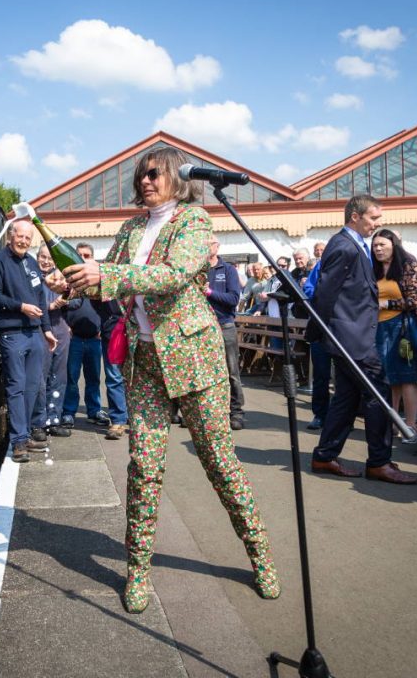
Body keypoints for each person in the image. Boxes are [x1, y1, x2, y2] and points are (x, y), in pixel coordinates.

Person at [63, 146, 278, 613]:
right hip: (147, 363)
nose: (146, 180)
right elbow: (109, 281)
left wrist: (108, 273)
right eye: (141, 174)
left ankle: (259, 554)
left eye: (155, 173)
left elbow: (174, 274)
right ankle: (137, 571)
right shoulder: (130, 228)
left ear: (177, 179)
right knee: (143, 467)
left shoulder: (194, 222)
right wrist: (77, 280)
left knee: (219, 463)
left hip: (194, 360)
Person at [307, 195, 417, 484]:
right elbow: (325, 292)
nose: (377, 225)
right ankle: (379, 462)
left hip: (352, 334)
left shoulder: (353, 244)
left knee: (346, 398)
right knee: (378, 395)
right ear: (355, 216)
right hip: (350, 338)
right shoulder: (345, 246)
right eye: (373, 218)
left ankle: (324, 456)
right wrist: (317, 332)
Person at [0, 220, 57, 462]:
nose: (23, 241)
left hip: (34, 333)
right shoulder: (0, 260)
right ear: (11, 236)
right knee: (16, 388)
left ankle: (26, 435)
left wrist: (46, 330)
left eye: (28, 237)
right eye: (20, 236)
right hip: (12, 333)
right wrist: (20, 307)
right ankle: (18, 441)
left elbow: (40, 301)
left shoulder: (33, 263)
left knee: (33, 387)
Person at [371, 229, 417, 442]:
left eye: (383, 245)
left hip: (404, 326)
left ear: (393, 245)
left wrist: (386, 303)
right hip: (380, 328)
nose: (378, 249)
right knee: (389, 378)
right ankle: (393, 422)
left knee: (407, 377)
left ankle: (410, 425)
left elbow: (416, 299)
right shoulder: (374, 267)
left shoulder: (407, 262)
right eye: (375, 246)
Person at [84, 244, 131, 441]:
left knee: (137, 377)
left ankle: (138, 418)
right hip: (112, 334)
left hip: (135, 331)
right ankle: (118, 420)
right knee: (113, 377)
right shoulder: (95, 283)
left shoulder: (128, 274)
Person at [31, 244, 74, 438]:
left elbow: (78, 301)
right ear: (37, 257)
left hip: (61, 328)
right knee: (40, 377)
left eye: (49, 258)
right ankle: (38, 422)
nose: (46, 261)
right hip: (40, 329)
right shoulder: (31, 277)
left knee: (59, 376)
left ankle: (53, 420)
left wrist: (68, 296)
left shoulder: (61, 278)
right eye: (42, 257)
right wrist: (51, 305)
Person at [204, 240, 245, 430]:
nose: (205, 247)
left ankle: (236, 413)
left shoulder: (227, 270)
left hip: (224, 325)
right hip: (203, 328)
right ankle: (211, 413)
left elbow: (233, 299)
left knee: (231, 372)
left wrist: (209, 292)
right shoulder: (199, 270)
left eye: (208, 243)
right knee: (206, 373)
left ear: (217, 246)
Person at [61, 278, 108, 428]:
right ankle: (68, 412)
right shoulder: (68, 283)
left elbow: (108, 308)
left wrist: (103, 327)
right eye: (80, 254)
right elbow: (59, 307)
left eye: (86, 255)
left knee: (94, 378)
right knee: (71, 378)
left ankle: (94, 411)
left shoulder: (98, 283)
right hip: (74, 339)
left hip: (94, 339)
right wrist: (64, 326)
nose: (83, 258)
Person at [302, 247, 331, 431]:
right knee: (321, 375)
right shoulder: (320, 266)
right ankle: (320, 415)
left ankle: (345, 418)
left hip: (345, 328)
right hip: (320, 327)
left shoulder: (353, 265)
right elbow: (308, 288)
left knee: (346, 378)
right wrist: (324, 295)